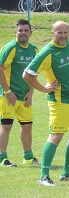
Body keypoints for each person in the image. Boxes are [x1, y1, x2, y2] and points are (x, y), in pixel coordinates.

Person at [23, 21, 69, 186]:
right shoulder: (47, 53)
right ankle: (43, 176)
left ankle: (66, 173)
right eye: (59, 33)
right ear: (53, 34)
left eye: (66, 32)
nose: (63, 36)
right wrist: (44, 89)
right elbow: (28, 74)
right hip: (60, 101)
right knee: (56, 136)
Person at [0, 19, 38, 167]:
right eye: (20, 30)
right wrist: (8, 91)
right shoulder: (10, 48)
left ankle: (28, 157)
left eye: (25, 30)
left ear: (30, 33)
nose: (23, 33)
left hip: (25, 96)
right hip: (8, 96)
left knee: (27, 126)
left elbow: (34, 72)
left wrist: (31, 92)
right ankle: (2, 158)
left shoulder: (34, 50)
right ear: (15, 32)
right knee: (6, 126)